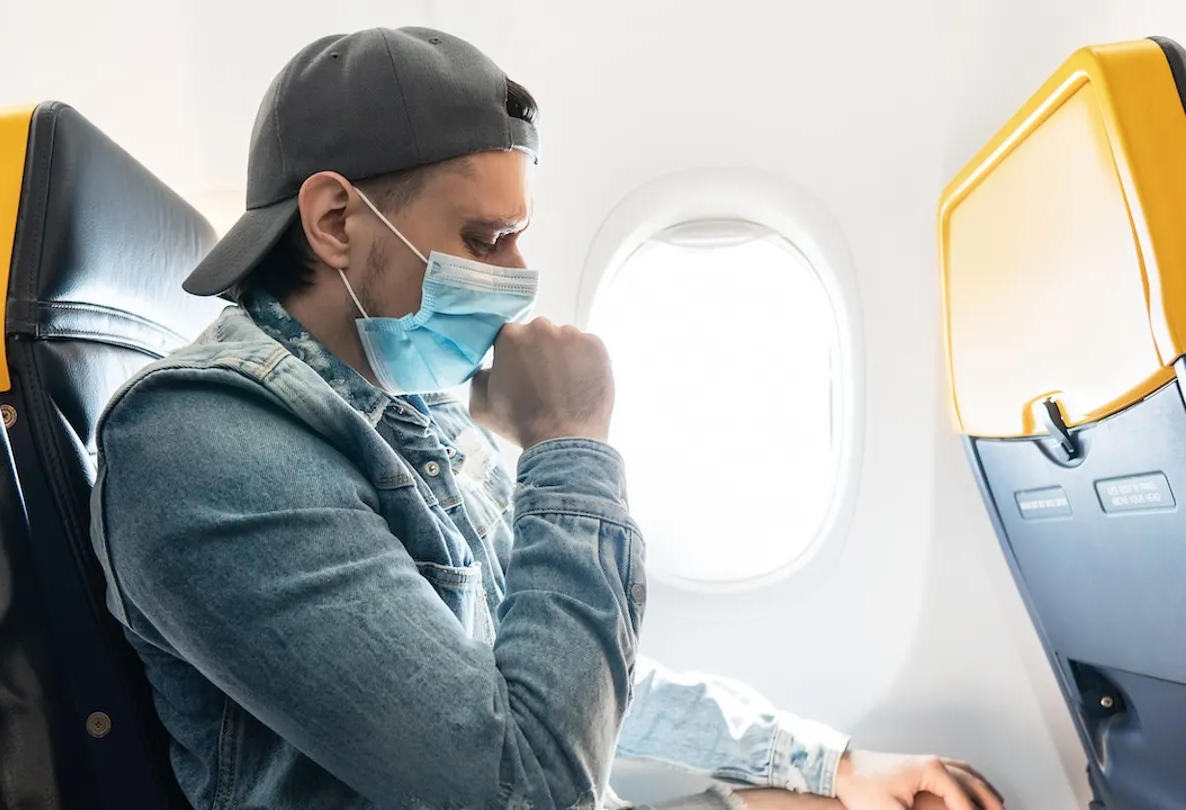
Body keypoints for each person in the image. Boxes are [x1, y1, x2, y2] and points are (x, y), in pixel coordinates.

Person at [89, 25, 1005, 810]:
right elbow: (526, 786)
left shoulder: (412, 408)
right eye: (487, 239)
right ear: (335, 221)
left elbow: (565, 676)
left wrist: (828, 765)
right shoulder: (202, 449)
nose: (520, 275)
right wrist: (570, 446)